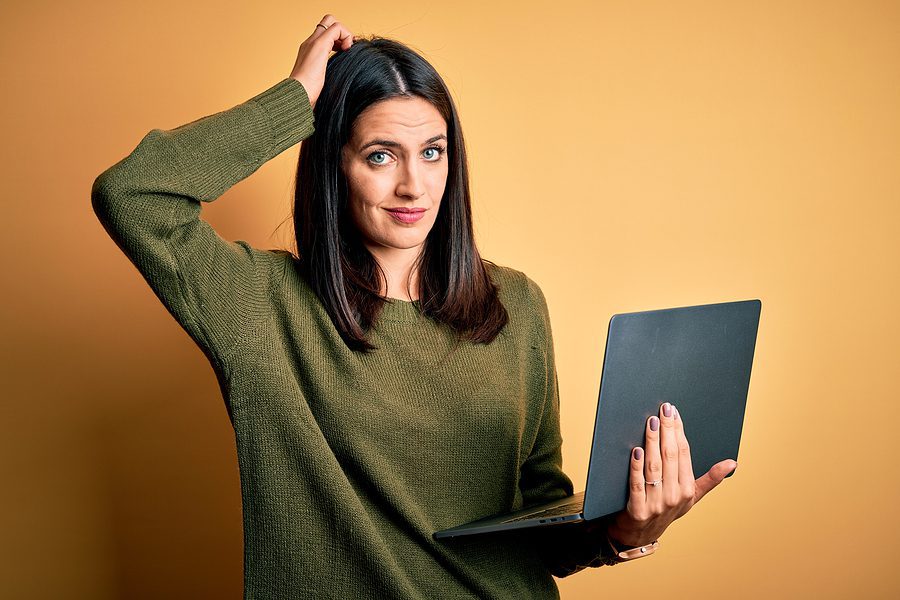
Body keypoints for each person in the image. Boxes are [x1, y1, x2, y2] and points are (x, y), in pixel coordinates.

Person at [91, 13, 738, 599]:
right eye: (380, 156)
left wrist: (627, 528)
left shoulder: (516, 304)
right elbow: (134, 194)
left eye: (432, 152)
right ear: (331, 163)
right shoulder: (261, 304)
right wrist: (296, 99)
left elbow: (541, 525)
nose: (414, 184)